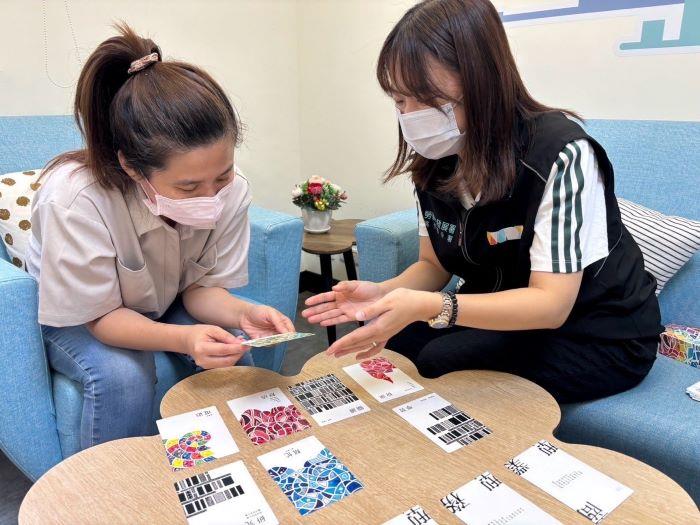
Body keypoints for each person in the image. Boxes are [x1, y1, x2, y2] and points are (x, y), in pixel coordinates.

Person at [302, 0, 662, 403]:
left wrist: (434, 306)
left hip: (597, 331)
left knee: (441, 359)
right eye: (400, 101)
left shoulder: (561, 155)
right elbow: (432, 266)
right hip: (502, 310)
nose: (411, 117)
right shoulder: (436, 161)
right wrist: (384, 294)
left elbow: (551, 304)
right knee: (398, 341)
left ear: (481, 80)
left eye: (426, 98)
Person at [26, 24, 294, 450]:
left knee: (234, 354)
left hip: (161, 301)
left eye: (222, 175)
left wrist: (244, 313)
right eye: (188, 187)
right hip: (80, 315)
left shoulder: (233, 189)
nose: (211, 197)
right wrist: (186, 338)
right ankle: (118, 485)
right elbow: (101, 318)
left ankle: (237, 467)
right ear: (132, 167)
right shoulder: (76, 199)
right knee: (123, 378)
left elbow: (200, 290)